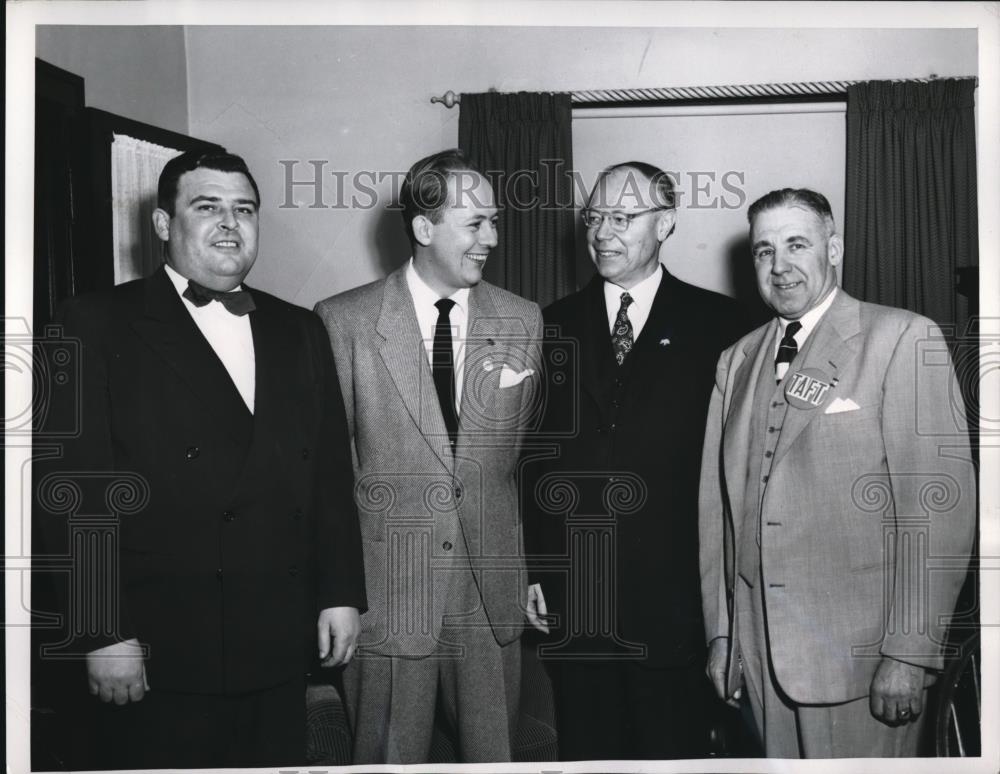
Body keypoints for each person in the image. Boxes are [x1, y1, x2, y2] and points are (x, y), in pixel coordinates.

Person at [35, 149, 367, 769]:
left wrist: (340, 593)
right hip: (161, 641)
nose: (229, 224)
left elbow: (327, 476)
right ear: (163, 225)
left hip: (276, 635)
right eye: (207, 207)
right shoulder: (94, 322)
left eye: (244, 210)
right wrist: (102, 631)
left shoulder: (299, 328)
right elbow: (75, 491)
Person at [698, 188, 976, 757]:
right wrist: (724, 638)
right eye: (763, 250)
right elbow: (716, 517)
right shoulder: (737, 360)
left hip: (863, 663)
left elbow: (937, 510)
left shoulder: (899, 338)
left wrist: (908, 652)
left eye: (797, 244)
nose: (780, 266)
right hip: (758, 655)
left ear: (835, 248)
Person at [314, 148, 545, 763]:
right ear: (423, 228)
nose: (492, 238)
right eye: (476, 224)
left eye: (494, 222)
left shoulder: (523, 320)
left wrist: (530, 572)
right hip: (389, 597)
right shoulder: (346, 322)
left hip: (489, 594)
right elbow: (327, 474)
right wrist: (332, 592)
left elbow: (522, 463)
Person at [524, 161, 748, 759]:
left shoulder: (725, 326)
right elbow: (533, 459)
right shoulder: (548, 326)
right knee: (586, 754)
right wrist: (537, 569)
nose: (602, 232)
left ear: (666, 223)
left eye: (623, 217)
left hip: (679, 608)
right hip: (578, 602)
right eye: (594, 217)